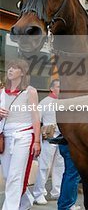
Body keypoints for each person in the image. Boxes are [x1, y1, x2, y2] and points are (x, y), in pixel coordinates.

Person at [0, 59, 41, 210]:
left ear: (22, 73)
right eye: (9, 67)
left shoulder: (30, 91)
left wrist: (36, 141)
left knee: (15, 176)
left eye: (15, 68)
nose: (10, 70)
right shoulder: (1, 91)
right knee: (7, 176)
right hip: (5, 137)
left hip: (24, 136)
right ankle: (25, 202)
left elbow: (35, 117)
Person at [33, 79, 65, 205]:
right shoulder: (44, 102)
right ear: (52, 88)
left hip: (62, 137)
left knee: (60, 166)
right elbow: (36, 119)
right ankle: (39, 193)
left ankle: (57, 192)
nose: (60, 89)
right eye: (58, 87)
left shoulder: (63, 102)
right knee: (44, 167)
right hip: (49, 137)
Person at [58, 144, 81, 210]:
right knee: (72, 175)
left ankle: (67, 204)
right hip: (72, 144)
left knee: (70, 174)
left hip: (66, 144)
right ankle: (66, 205)